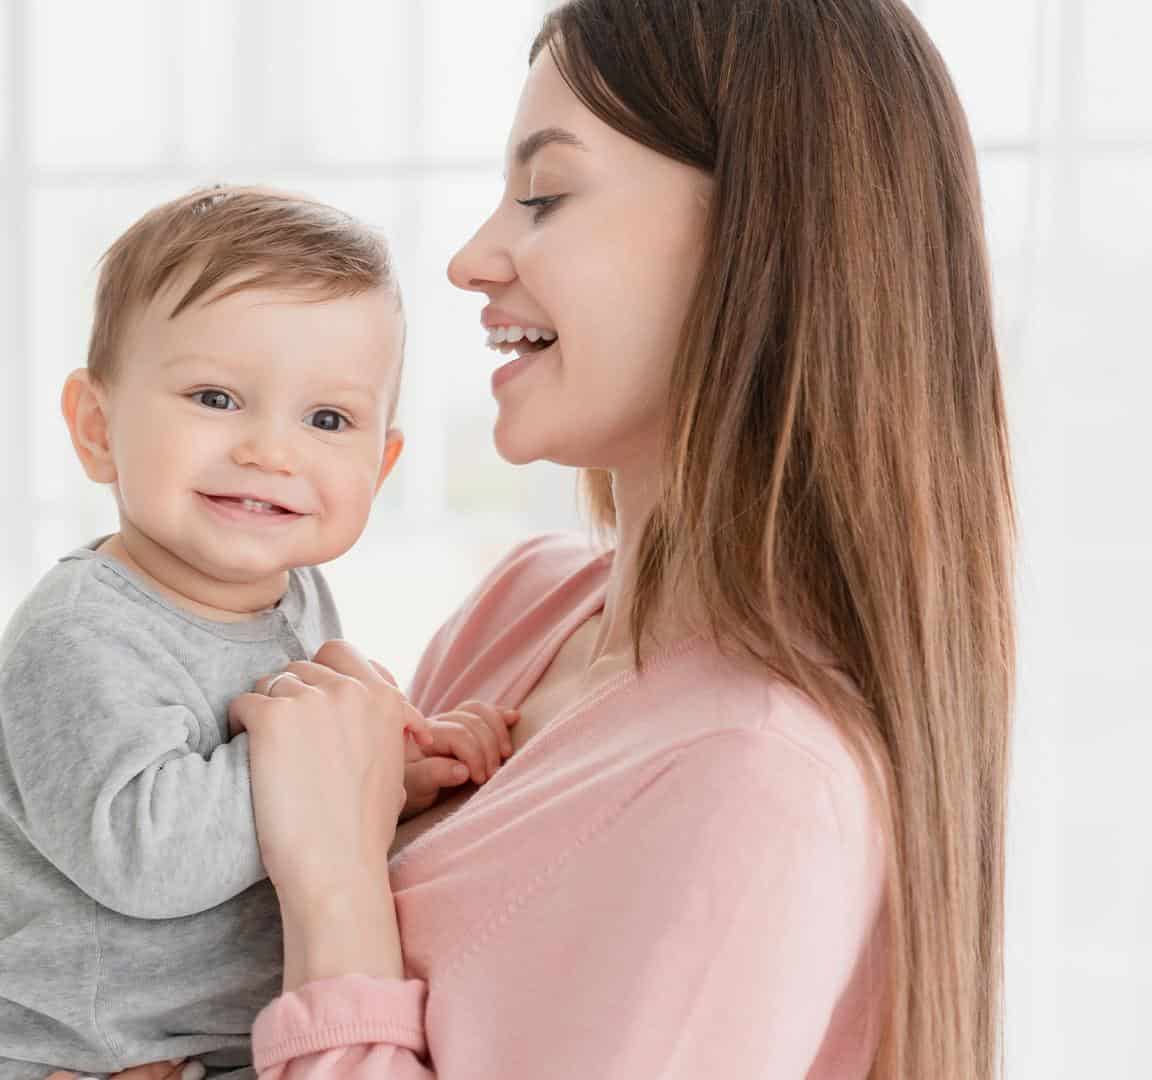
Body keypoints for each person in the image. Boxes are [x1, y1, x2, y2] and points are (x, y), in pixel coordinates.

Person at [75, 0, 1015, 1076]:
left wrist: (331, 872)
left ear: (764, 233)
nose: (472, 259)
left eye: (546, 195)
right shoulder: (525, 605)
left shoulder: (762, 779)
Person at [0, 186, 518, 1080]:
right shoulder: (79, 638)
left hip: (251, 1045)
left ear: (383, 463)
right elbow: (145, 854)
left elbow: (308, 798)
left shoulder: (296, 592)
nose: (270, 450)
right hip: (106, 1062)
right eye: (216, 397)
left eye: (327, 419)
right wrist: (335, 758)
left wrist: (399, 770)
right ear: (98, 430)